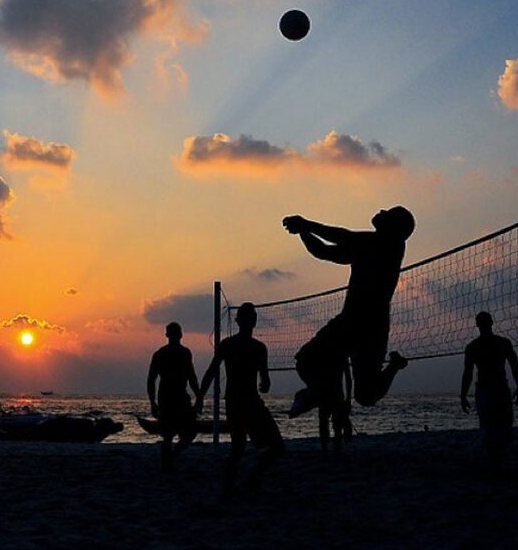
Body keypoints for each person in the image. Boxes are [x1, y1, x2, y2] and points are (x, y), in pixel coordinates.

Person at [283, 206, 415, 415]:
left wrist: (305, 226)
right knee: (310, 363)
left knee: (361, 394)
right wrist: (304, 231)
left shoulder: (386, 244)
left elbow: (339, 237)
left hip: (360, 324)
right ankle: (318, 394)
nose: (380, 210)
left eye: (387, 213)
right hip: (365, 325)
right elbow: (324, 251)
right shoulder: (373, 246)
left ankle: (316, 394)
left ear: (393, 227)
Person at [195, 302, 284, 495]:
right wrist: (200, 398)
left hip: (242, 401)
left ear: (238, 321)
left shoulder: (237, 345)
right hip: (244, 401)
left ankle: (242, 484)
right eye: (251, 317)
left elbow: (211, 373)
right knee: (265, 447)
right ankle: (243, 483)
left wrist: (200, 398)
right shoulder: (254, 347)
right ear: (253, 321)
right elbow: (266, 383)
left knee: (243, 447)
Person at [460, 311, 518, 464]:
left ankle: (495, 459)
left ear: (477, 325)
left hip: (488, 389)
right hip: (497, 388)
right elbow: (515, 367)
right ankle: (497, 459)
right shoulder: (502, 343)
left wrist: (463, 396)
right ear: (492, 323)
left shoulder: (473, 347)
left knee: (490, 427)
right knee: (502, 426)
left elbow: (467, 373)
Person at [147, 322, 199, 470]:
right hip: (169, 397)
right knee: (171, 435)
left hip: (176, 397)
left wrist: (199, 397)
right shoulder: (161, 354)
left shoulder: (183, 353)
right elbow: (151, 379)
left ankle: (170, 459)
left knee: (185, 434)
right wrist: (152, 402)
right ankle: (168, 462)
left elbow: (191, 377)